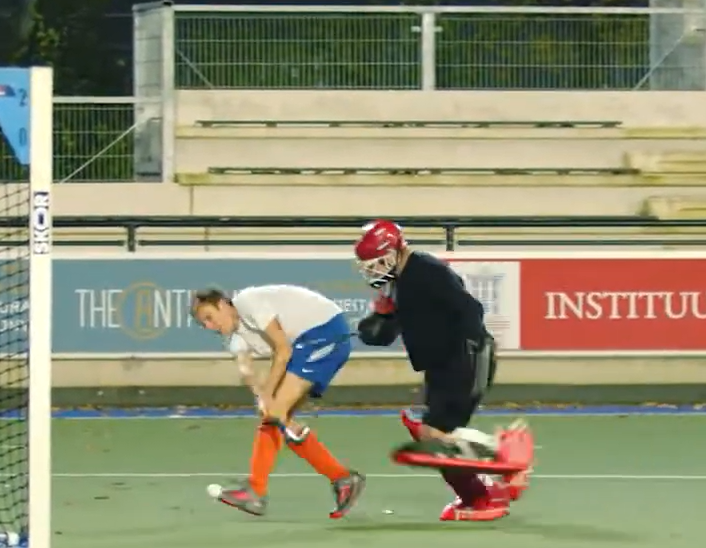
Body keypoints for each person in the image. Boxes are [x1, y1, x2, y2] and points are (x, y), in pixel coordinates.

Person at [352, 219, 516, 522]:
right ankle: (486, 487)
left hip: (462, 360)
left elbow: (471, 309)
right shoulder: (400, 282)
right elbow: (388, 331)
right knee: (433, 434)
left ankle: (497, 470)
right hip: (442, 365)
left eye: (378, 263)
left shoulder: (426, 271)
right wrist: (378, 322)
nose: (374, 271)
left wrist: (463, 352)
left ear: (395, 251)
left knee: (435, 436)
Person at [192, 286, 366, 519]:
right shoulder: (237, 337)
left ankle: (255, 490)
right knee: (279, 419)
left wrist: (268, 395)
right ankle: (343, 479)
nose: (209, 326)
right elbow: (247, 371)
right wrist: (261, 396)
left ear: (222, 304)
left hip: (323, 333)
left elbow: (283, 350)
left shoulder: (248, 301)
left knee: (275, 413)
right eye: (204, 324)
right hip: (309, 344)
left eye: (209, 317)